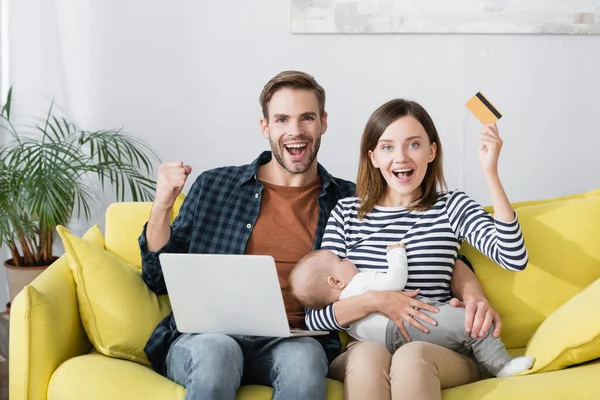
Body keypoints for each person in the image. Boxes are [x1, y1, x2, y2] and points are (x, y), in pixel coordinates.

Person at [139, 70, 499, 400]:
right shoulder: (216, 186)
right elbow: (157, 278)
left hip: (297, 339)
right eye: (282, 119)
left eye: (307, 118)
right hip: (209, 335)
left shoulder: (351, 202)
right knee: (217, 355)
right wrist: (161, 209)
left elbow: (435, 247)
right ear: (265, 127)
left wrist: (474, 294)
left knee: (305, 368)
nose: (295, 131)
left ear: (323, 123)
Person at [304, 98, 528, 399]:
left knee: (410, 358)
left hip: (438, 350)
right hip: (367, 347)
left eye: (414, 145)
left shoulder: (452, 207)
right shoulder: (346, 213)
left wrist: (490, 173)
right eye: (387, 147)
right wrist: (377, 301)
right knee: (368, 356)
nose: (401, 158)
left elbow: (514, 257)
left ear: (432, 151)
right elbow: (315, 317)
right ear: (373, 157)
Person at [290, 243, 534, 378]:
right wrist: (396, 255)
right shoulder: (361, 283)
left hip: (384, 341)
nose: (348, 260)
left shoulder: (343, 307)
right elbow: (395, 281)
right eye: (342, 260)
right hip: (407, 323)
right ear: (335, 281)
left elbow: (457, 260)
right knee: (470, 322)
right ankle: (501, 366)